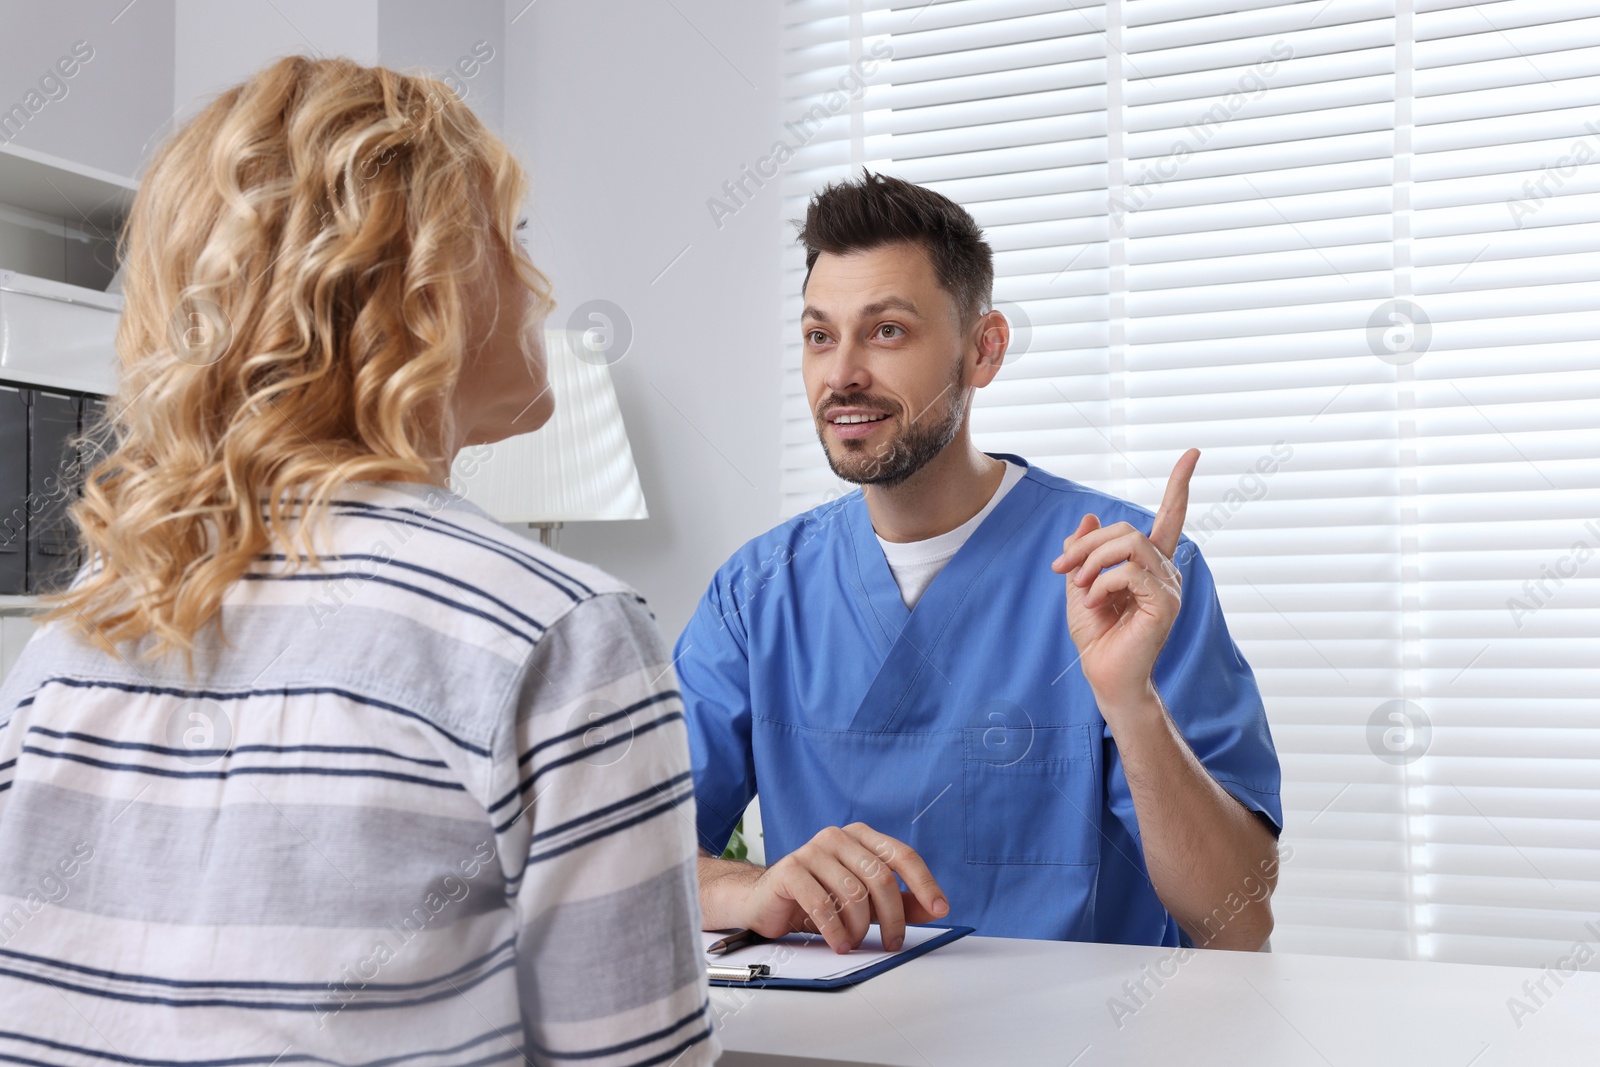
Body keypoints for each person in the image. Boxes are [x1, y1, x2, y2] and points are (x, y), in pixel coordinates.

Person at [0, 57, 716, 1065]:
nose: (543, 285)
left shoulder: (85, 622)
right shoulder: (563, 632)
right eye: (510, 237)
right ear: (423, 287)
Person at [682, 171, 1283, 955]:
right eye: (819, 335)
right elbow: (619, 857)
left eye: (887, 330)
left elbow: (1237, 922)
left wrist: (1131, 703)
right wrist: (751, 886)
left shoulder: (1129, 578)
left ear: (984, 350)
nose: (841, 374)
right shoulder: (757, 596)